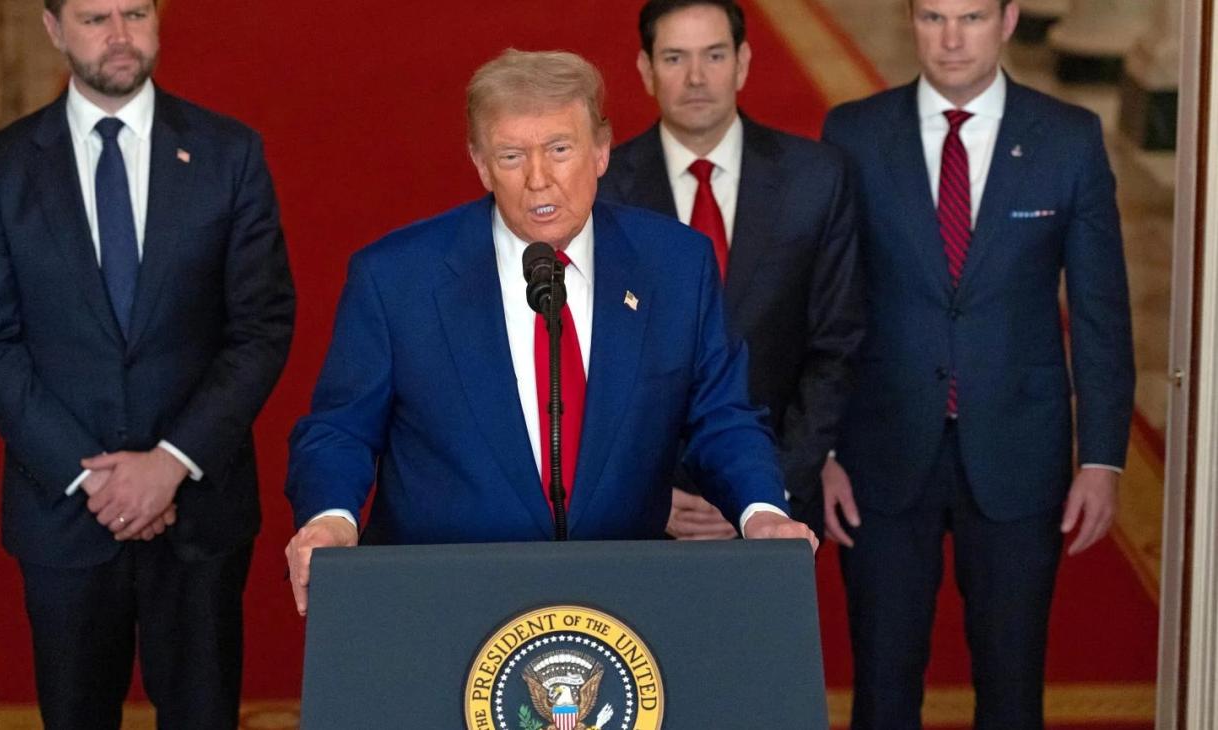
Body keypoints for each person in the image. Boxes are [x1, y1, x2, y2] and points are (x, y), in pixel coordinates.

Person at [283, 49, 815, 616]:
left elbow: (722, 418)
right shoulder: (397, 278)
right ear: (481, 165)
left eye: (560, 149)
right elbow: (340, 430)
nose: (538, 179)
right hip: (441, 605)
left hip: (621, 604)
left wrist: (762, 512)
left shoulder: (675, 265)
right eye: (512, 156)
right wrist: (330, 519)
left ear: (602, 151)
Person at [0, 0, 295, 726]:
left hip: (199, 511)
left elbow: (261, 327)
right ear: (52, 28)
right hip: (64, 515)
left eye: (134, 13)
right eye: (94, 18)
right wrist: (94, 479)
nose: (118, 37)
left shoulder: (229, 154)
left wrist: (170, 463)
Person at [819, 1, 1134, 727]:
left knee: (1012, 689)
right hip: (881, 454)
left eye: (971, 17)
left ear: (1009, 19)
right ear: (910, 21)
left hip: (1020, 453)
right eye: (933, 17)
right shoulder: (854, 134)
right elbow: (825, 303)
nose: (952, 38)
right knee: (882, 690)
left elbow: (1101, 314)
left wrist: (1103, 459)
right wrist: (824, 451)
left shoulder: (1068, 138)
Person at [598, 0, 864, 542]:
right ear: (646, 70)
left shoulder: (816, 178)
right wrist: (643, 496)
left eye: (714, 55)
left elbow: (837, 346)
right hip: (645, 515)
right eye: (675, 58)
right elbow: (587, 363)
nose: (696, 77)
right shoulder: (601, 191)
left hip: (777, 507)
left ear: (742, 63)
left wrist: (760, 496)